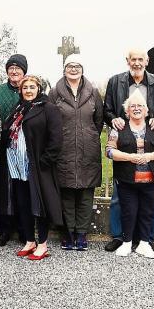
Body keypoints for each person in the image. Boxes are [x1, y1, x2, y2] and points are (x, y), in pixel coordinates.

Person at [103, 48, 154, 252]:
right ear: (127, 61)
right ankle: (119, 236)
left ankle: (147, 238)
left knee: (149, 197)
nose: (137, 63)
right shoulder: (115, 81)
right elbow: (108, 109)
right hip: (125, 134)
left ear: (147, 61)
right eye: (133, 59)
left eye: (141, 59)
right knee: (118, 197)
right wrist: (113, 118)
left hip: (149, 136)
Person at [0, 76, 62, 261]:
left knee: (39, 204)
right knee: (23, 203)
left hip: (36, 165)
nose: (28, 90)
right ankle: (29, 240)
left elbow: (56, 139)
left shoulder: (48, 108)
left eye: (32, 87)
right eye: (25, 87)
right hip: (16, 164)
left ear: (39, 89)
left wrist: (45, 161)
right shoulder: (18, 109)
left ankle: (42, 244)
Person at [49, 54, 103, 251]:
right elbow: (50, 121)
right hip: (63, 150)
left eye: (77, 66)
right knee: (67, 194)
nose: (73, 69)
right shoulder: (55, 92)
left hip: (88, 150)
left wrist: (88, 137)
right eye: (70, 66)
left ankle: (81, 233)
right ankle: (68, 233)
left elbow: (98, 120)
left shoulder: (93, 92)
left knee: (86, 195)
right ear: (64, 69)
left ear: (83, 69)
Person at [0, 53, 28, 246]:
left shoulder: (30, 90)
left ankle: (24, 228)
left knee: (23, 187)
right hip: (3, 147)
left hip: (25, 148)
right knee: (5, 189)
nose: (14, 71)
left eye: (18, 68)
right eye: (11, 68)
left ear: (24, 72)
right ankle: (4, 228)